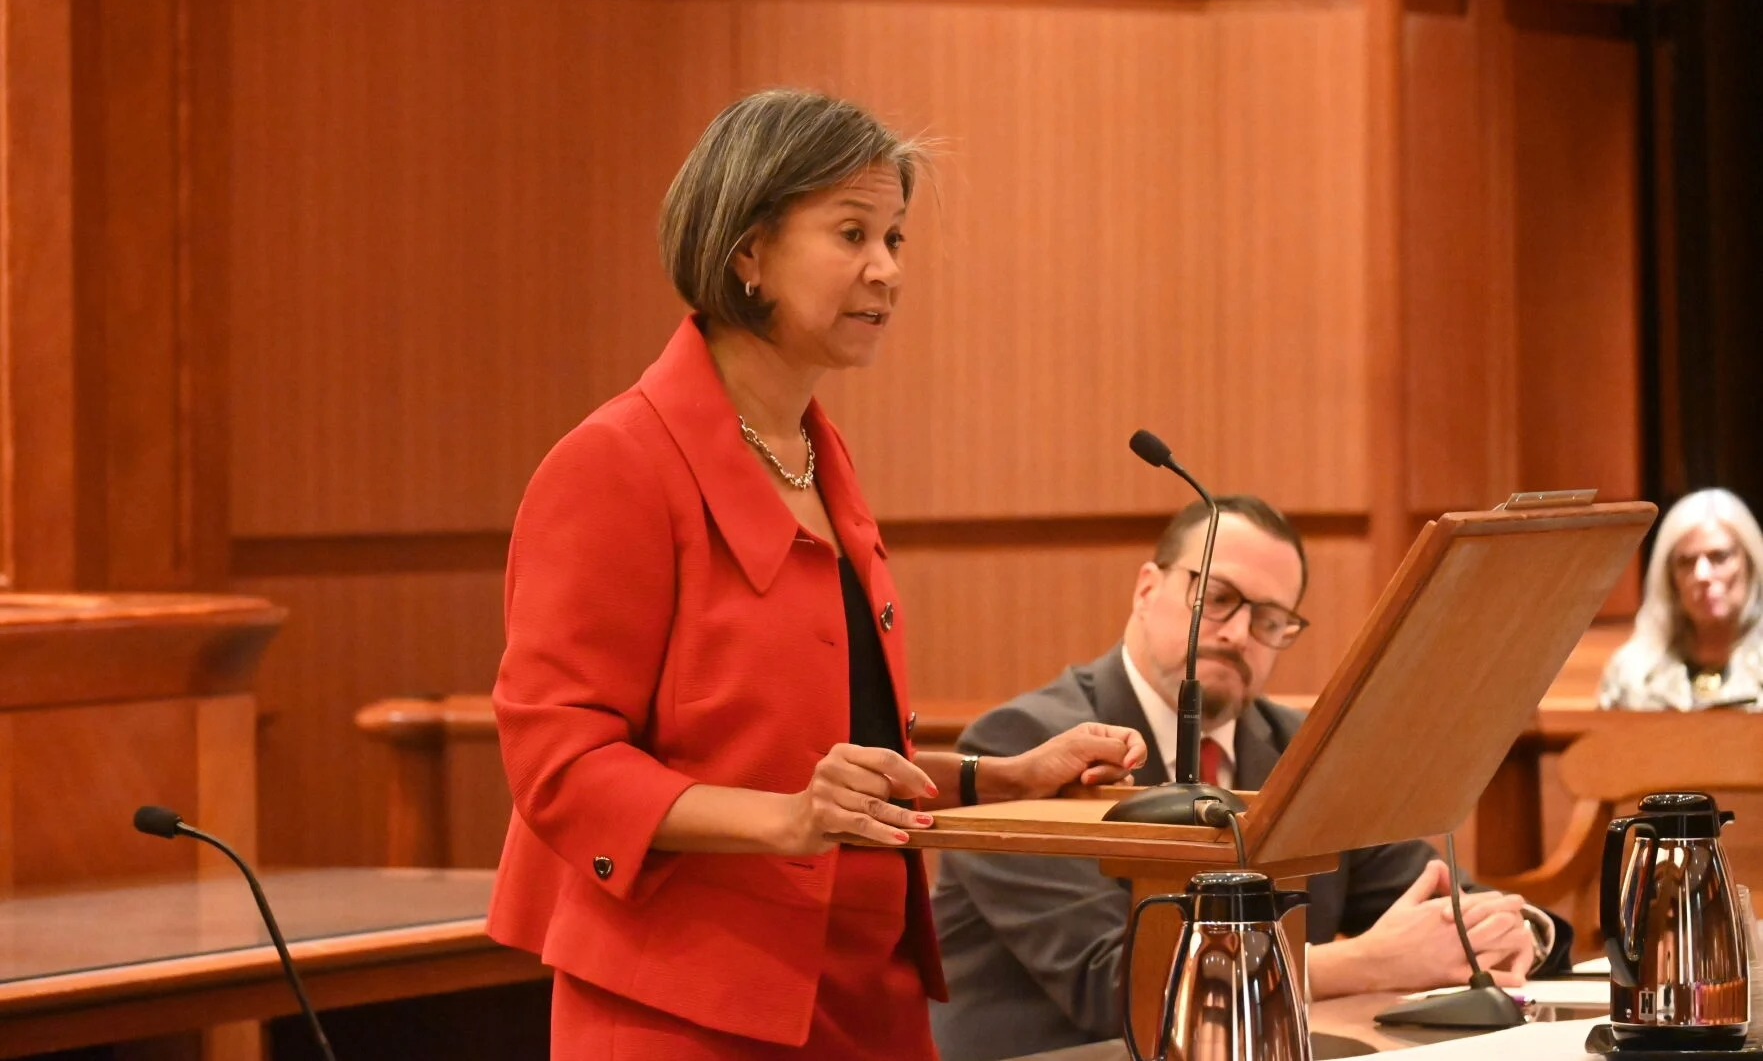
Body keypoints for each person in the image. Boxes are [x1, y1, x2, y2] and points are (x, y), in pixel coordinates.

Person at [486, 89, 1148, 1061]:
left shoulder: (816, 453)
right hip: (687, 1001)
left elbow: (824, 755)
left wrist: (1000, 778)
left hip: (864, 985)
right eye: (851, 234)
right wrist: (789, 819)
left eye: (895, 237)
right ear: (747, 252)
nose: (887, 270)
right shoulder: (615, 462)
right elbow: (562, 766)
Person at [930, 495, 1572, 1061]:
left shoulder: (1305, 751)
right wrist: (1363, 963)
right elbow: (1111, 985)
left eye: (1268, 620)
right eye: (1217, 599)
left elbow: (1442, 901)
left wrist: (1520, 934)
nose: (1238, 634)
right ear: (1147, 589)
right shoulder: (1023, 748)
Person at [1599, 488, 1763, 711]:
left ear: (1750, 565)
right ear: (1669, 578)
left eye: (1719, 557)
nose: (1702, 575)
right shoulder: (1632, 674)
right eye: (1686, 562)